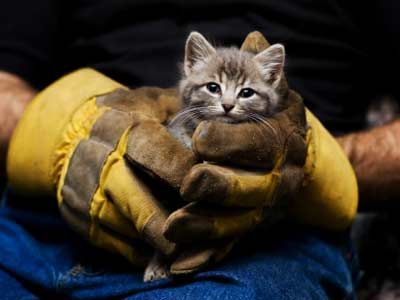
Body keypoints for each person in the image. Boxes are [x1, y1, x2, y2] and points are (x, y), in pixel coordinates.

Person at [0, 0, 398, 298]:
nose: (226, 103)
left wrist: (309, 167)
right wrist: (64, 131)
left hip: (269, 241)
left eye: (240, 92)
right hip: (49, 219)